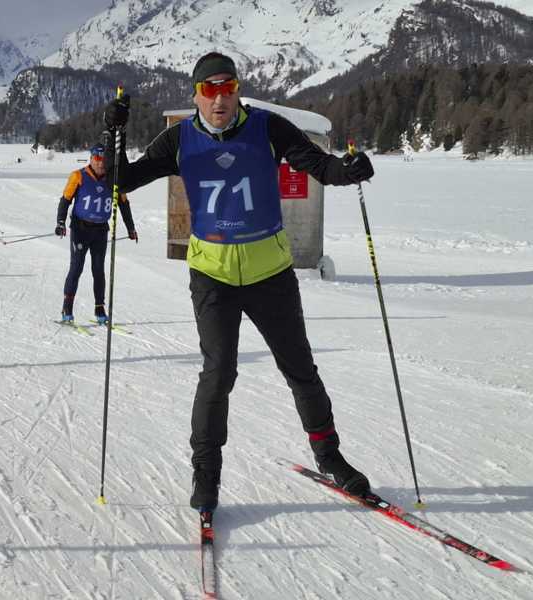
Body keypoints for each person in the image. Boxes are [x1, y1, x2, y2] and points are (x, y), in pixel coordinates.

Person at [102, 51, 376, 513]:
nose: (219, 98)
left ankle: (329, 457)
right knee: (218, 373)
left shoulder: (268, 127)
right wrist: (113, 131)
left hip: (270, 273)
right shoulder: (179, 140)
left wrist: (348, 171)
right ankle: (206, 474)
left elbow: (319, 167)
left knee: (300, 369)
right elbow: (119, 179)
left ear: (237, 91)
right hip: (212, 276)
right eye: (209, 89)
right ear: (196, 95)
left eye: (228, 88)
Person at [55, 144, 137, 325]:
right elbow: (65, 200)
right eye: (97, 158)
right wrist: (60, 222)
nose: (100, 163)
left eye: (104, 159)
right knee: (76, 268)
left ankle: (99, 308)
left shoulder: (114, 179)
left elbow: (124, 204)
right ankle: (67, 307)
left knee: (98, 270)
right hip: (80, 229)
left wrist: (131, 228)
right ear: (91, 158)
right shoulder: (78, 176)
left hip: (100, 230)